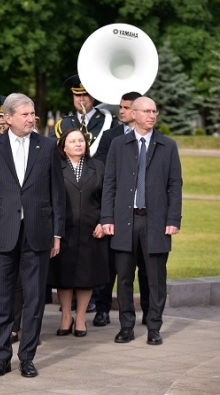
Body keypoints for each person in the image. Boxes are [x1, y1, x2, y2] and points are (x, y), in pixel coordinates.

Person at [0, 93, 65, 378]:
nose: (31, 119)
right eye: (25, 114)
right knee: (2, 300)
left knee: (35, 299)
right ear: (8, 117)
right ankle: (2, 357)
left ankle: (27, 357)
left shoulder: (48, 146)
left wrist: (57, 234)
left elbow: (57, 194)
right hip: (1, 233)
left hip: (38, 233)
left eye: (33, 113)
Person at [101, 96, 182, 346]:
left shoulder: (168, 146)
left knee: (156, 278)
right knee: (124, 277)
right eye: (146, 111)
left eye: (155, 111)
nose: (152, 115)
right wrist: (107, 218)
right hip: (125, 221)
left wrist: (173, 219)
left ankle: (154, 326)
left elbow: (174, 185)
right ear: (133, 114)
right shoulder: (118, 144)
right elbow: (110, 183)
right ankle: (126, 326)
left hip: (156, 222)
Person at [92, 91, 150, 328]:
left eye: (126, 108)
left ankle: (148, 312)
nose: (122, 111)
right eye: (121, 107)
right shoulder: (110, 137)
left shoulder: (154, 138)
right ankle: (102, 309)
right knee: (111, 266)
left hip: (143, 213)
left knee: (146, 270)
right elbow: (104, 169)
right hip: (117, 212)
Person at [48, 128, 109, 337]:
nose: (78, 144)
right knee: (64, 276)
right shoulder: (55, 167)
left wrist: (104, 222)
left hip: (91, 230)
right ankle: (66, 316)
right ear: (63, 146)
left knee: (86, 275)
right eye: (73, 141)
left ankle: (81, 317)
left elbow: (108, 197)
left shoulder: (98, 166)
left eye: (81, 141)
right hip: (63, 230)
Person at [53, 74, 118, 157]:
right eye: (77, 95)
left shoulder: (110, 122)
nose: (81, 99)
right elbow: (51, 150)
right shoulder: (63, 124)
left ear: (93, 96)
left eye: (85, 94)